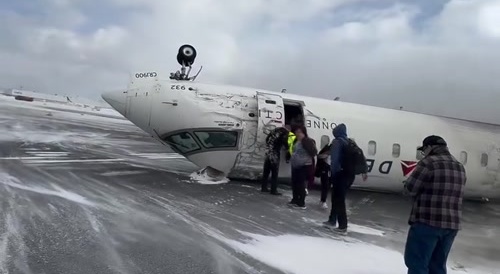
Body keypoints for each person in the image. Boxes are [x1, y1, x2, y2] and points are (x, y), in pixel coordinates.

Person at [403, 135, 467, 274]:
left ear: (430, 147)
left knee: (417, 264)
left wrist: (407, 184)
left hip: (428, 223)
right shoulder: (459, 166)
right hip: (451, 226)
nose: (423, 154)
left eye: (423, 150)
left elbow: (411, 188)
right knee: (437, 266)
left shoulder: (428, 163)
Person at [323, 123, 367, 233]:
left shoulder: (337, 142)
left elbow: (335, 160)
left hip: (340, 174)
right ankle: (332, 220)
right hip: (349, 175)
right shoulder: (350, 142)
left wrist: (333, 174)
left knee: (338, 199)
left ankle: (342, 226)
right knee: (337, 198)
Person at [288, 125, 317, 209]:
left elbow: (313, 152)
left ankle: (301, 203)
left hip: (303, 166)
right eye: (296, 132)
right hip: (296, 166)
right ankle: (295, 199)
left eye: (300, 132)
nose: (298, 134)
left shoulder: (306, 141)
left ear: (304, 133)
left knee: (301, 184)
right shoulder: (297, 141)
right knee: (295, 183)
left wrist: (304, 159)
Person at [261, 125, 290, 195]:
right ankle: (273, 190)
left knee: (266, 171)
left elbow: (267, 139)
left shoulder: (274, 130)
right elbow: (285, 142)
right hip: (274, 153)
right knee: (274, 173)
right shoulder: (285, 133)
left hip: (268, 152)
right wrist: (287, 148)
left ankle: (264, 187)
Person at [315, 142, 332, 209]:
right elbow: (320, 156)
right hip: (325, 170)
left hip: (329, 170)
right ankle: (323, 200)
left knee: (326, 186)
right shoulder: (328, 151)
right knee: (325, 186)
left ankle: (323, 200)